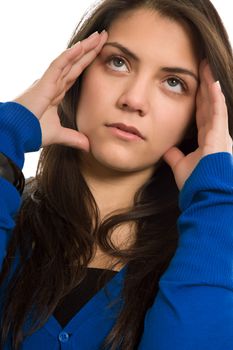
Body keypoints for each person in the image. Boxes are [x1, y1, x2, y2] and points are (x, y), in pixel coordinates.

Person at [0, 0, 233, 349]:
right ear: (77, 72)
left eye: (173, 82)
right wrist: (7, 136)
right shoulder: (9, 215)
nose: (134, 99)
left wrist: (216, 197)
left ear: (201, 113)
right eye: (118, 62)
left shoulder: (212, 248)